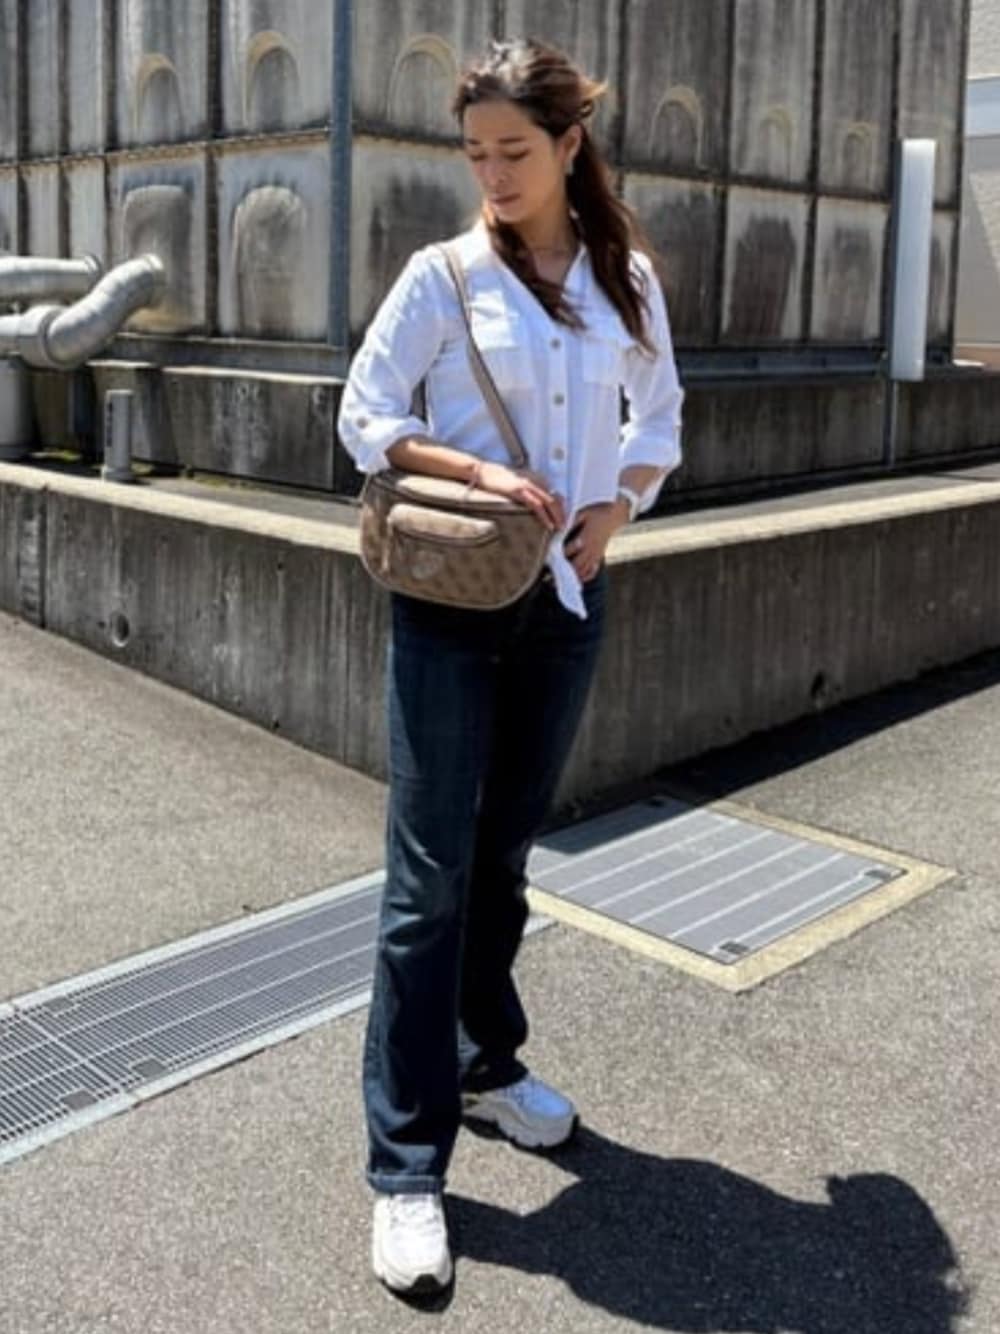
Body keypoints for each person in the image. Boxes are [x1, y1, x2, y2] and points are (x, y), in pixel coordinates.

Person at [337, 37, 684, 1297]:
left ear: (568, 144)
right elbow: (365, 416)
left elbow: (661, 415)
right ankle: (404, 1166)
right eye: (475, 151)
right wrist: (478, 469)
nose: (491, 172)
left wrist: (617, 508)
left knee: (502, 858)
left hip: (565, 602)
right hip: (449, 601)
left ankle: (485, 1065)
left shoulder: (621, 278)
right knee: (426, 880)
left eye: (514, 150)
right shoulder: (442, 278)